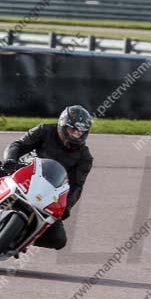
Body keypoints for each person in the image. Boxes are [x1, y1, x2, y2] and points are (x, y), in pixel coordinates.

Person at [2, 105, 93, 250]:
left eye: (80, 132)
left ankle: (19, 237)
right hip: (21, 174)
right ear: (62, 125)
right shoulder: (45, 130)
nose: (76, 135)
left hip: (48, 194)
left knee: (58, 240)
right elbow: (18, 145)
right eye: (72, 130)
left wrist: (66, 206)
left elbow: (76, 186)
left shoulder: (84, 157)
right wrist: (10, 160)